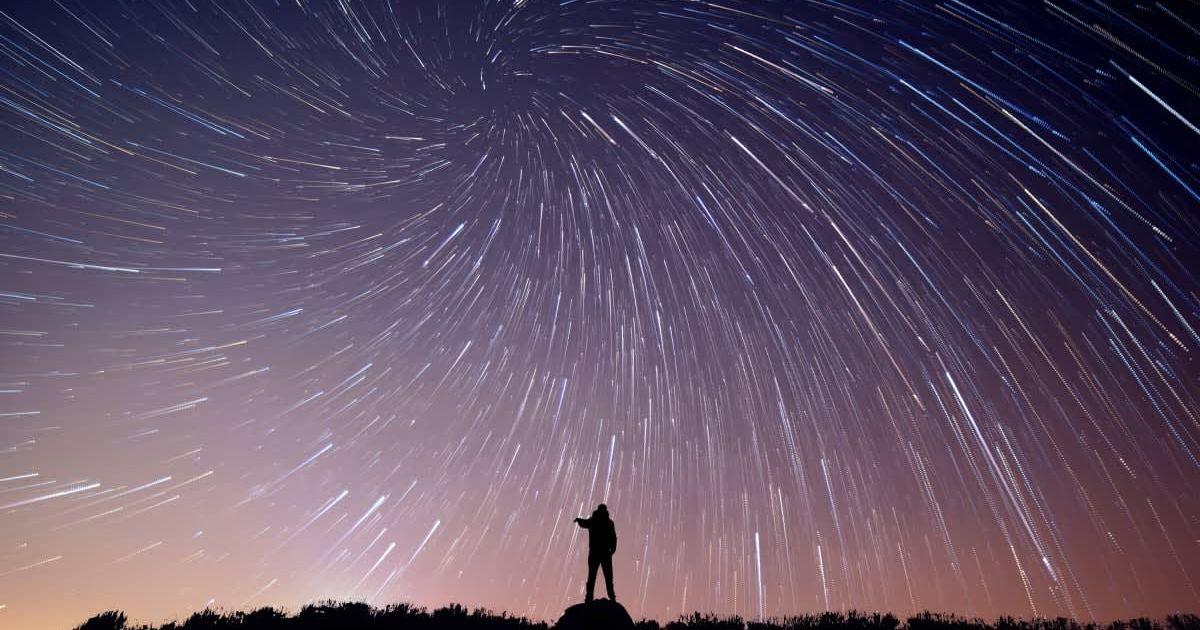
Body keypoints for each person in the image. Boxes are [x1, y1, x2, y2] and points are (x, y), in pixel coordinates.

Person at [574, 504, 617, 602]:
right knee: (607, 577)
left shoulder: (595, 521)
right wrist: (612, 550)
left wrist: (578, 520)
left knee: (593, 577)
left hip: (596, 553)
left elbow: (585, 523)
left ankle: (589, 597)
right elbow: (614, 538)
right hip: (604, 553)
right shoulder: (608, 522)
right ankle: (611, 597)